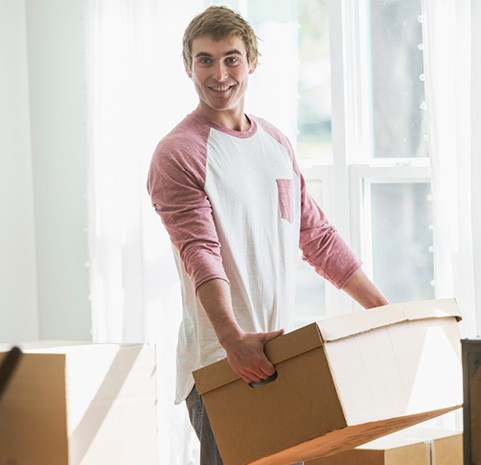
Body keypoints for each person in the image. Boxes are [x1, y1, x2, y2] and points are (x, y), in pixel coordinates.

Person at [146, 6, 389, 465]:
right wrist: (233, 339)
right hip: (224, 360)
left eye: (231, 59)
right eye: (205, 60)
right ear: (187, 66)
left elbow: (315, 237)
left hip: (278, 356)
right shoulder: (178, 153)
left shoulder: (275, 142)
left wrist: (384, 313)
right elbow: (200, 252)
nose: (219, 74)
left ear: (252, 62)